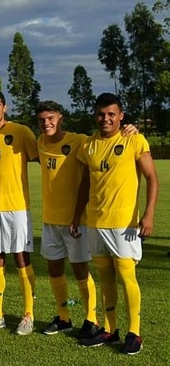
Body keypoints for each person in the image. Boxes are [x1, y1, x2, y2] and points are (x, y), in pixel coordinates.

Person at [73, 93, 158, 355]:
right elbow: (85, 184)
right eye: (101, 113)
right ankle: (110, 330)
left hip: (125, 224)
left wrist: (149, 214)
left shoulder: (134, 139)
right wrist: (77, 215)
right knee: (105, 278)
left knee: (126, 276)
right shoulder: (89, 145)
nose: (106, 118)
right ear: (95, 115)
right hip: (96, 223)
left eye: (111, 114)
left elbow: (152, 178)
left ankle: (135, 333)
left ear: (121, 115)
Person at [35, 101, 99, 338]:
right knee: (54, 268)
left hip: (76, 221)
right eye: (42, 119)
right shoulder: (40, 142)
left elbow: (105, 138)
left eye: (51, 118)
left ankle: (92, 319)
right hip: (50, 220)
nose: (46, 123)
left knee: (81, 269)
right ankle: (64, 318)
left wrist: (129, 128)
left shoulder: (79, 141)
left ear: (60, 118)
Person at [0, 90, 38, 335]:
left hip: (17, 208)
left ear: (5, 107)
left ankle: (29, 315)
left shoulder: (21, 131)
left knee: (21, 258)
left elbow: (41, 155)